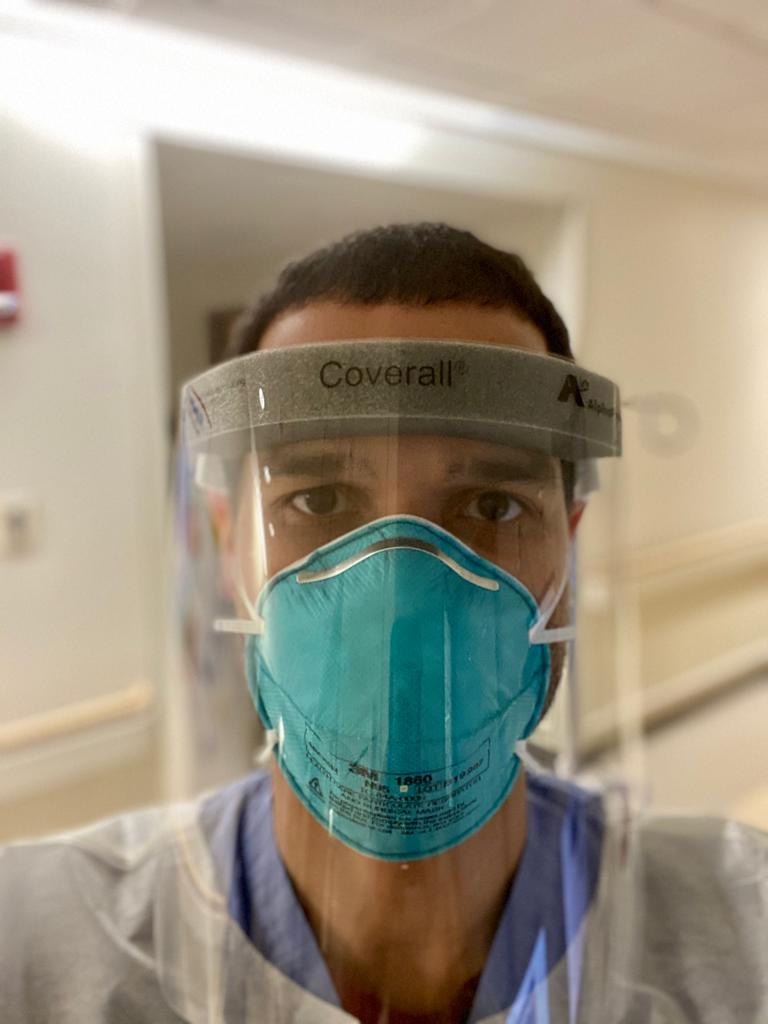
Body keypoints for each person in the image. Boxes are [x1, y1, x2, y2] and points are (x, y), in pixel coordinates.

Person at [1, 224, 765, 1023]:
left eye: (492, 506)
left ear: (567, 545)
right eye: (319, 501)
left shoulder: (744, 932)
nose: (401, 606)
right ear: (230, 548)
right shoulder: (38, 948)